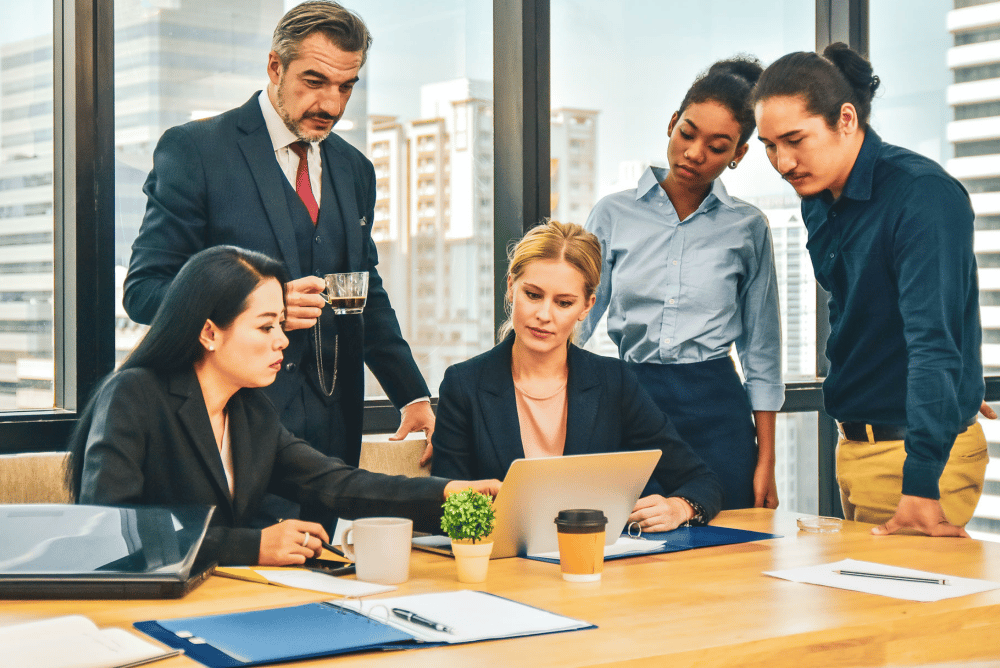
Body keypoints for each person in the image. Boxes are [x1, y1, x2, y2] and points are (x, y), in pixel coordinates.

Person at [123, 0, 434, 486]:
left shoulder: (355, 170)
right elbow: (145, 292)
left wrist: (411, 394)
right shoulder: (196, 151)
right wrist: (258, 305)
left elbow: (361, 290)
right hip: (225, 436)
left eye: (346, 87)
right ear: (275, 66)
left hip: (331, 444)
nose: (331, 105)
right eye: (315, 82)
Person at [69, 246, 498, 567]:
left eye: (281, 323)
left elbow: (337, 484)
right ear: (208, 332)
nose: (282, 340)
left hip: (231, 602)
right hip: (140, 613)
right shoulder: (133, 396)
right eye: (265, 326)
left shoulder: (250, 411)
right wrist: (252, 546)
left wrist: (445, 492)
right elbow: (110, 532)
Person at [752, 42, 994, 537]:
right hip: (857, 448)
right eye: (770, 146)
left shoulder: (921, 195)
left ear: (845, 119)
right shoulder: (819, 198)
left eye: (795, 140)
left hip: (916, 461)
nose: (782, 161)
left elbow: (933, 342)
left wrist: (922, 482)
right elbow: (863, 313)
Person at [580, 57, 783, 511]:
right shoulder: (612, 214)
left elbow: (762, 350)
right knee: (637, 544)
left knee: (730, 554)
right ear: (672, 123)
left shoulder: (747, 226)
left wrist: (765, 458)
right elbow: (578, 318)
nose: (694, 153)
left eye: (717, 145)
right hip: (632, 402)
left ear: (739, 154)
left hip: (718, 410)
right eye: (687, 133)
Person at [432, 221, 723, 532]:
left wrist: (680, 507)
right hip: (501, 566)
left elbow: (701, 480)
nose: (544, 315)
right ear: (510, 287)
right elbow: (446, 506)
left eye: (564, 303)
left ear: (587, 306)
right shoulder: (463, 385)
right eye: (532, 295)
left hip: (595, 564)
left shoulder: (615, 382)